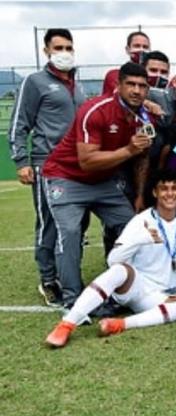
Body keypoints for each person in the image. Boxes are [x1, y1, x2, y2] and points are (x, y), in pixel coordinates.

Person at [44, 170, 176, 347]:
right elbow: (113, 260)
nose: (170, 193)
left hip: (162, 296)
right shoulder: (141, 221)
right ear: (155, 193)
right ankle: (67, 324)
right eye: (164, 189)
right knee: (119, 270)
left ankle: (120, 324)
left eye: (175, 189)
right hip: (137, 288)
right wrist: (141, 239)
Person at [42, 62, 151, 306]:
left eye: (142, 86)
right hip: (67, 176)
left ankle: (133, 284)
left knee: (133, 226)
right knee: (70, 232)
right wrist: (129, 149)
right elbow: (87, 161)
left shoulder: (143, 116)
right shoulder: (96, 110)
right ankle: (72, 298)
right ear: (119, 86)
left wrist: (140, 195)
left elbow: (142, 158)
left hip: (103, 181)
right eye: (130, 84)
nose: (136, 90)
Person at [8, 27, 86, 307]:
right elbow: (19, 123)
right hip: (47, 165)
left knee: (77, 224)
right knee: (49, 224)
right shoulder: (35, 81)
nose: (64, 53)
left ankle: (70, 277)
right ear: (46, 51)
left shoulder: (79, 85)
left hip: (77, 167)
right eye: (58, 48)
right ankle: (49, 280)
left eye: (68, 47)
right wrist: (21, 161)